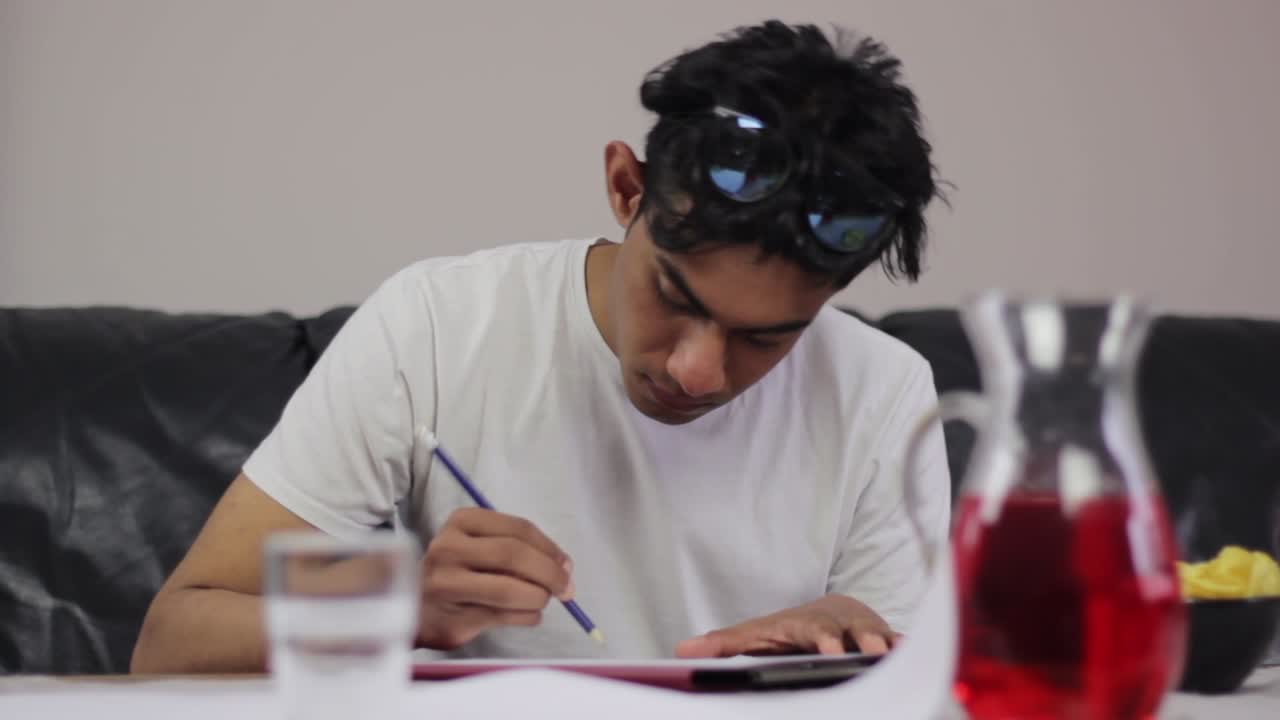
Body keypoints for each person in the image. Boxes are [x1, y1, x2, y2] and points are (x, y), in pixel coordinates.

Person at [131, 19, 950, 673]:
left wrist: (859, 653)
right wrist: (402, 608)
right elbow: (172, 638)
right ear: (626, 188)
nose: (695, 370)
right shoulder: (437, 324)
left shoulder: (883, 393)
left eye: (766, 338)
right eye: (673, 296)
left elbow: (918, 687)